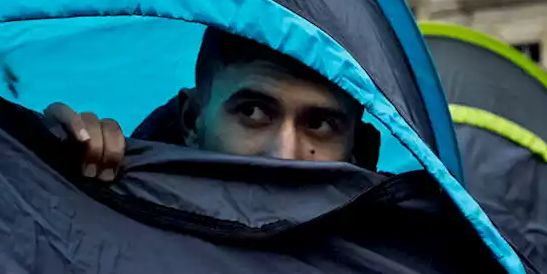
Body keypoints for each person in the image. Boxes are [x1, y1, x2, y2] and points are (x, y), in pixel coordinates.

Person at [43, 27, 376, 182]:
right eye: (253, 112)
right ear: (191, 120)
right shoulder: (120, 219)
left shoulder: (403, 264)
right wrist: (48, 177)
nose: (284, 155)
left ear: (355, 148)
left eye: (319, 125)